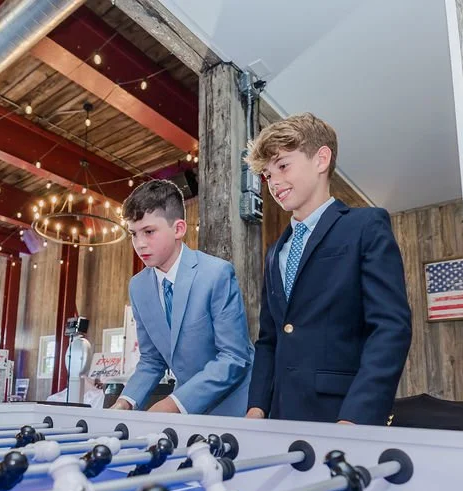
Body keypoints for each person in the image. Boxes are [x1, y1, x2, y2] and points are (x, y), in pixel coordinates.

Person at [245, 113, 411, 425]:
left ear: (321, 159)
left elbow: (390, 328)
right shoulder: (274, 252)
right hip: (280, 416)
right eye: (267, 175)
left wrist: (356, 416)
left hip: (343, 415)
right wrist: (257, 407)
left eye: (282, 166)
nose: (274, 182)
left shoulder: (365, 226)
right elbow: (269, 339)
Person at [111, 179, 253, 416]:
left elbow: (234, 357)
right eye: (134, 234)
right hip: (186, 411)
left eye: (149, 232)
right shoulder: (138, 287)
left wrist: (174, 403)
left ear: (178, 229)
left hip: (236, 407)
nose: (139, 244)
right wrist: (125, 401)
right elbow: (151, 360)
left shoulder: (216, 273)